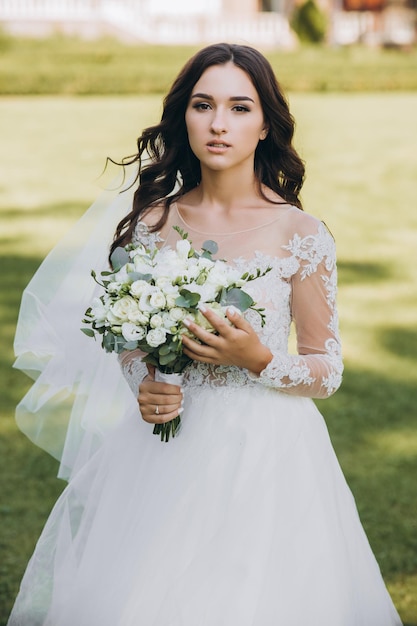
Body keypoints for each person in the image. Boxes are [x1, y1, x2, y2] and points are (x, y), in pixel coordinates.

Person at [8, 43, 402, 626]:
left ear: (266, 124)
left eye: (240, 107)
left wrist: (260, 359)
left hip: (269, 456)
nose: (219, 124)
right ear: (183, 117)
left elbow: (328, 370)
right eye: (203, 105)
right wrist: (146, 383)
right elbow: (130, 337)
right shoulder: (152, 224)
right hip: (162, 456)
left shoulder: (302, 232)